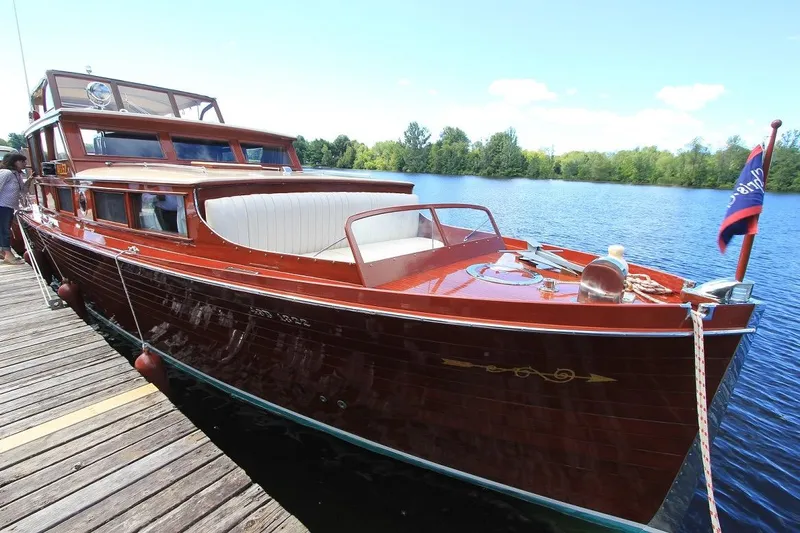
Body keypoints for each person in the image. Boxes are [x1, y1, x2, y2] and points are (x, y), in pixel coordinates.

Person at [0, 153, 29, 264]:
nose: (25, 164)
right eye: (23, 161)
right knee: (4, 230)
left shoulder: (17, 175)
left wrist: (30, 179)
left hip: (9, 206)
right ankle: (8, 254)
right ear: (15, 162)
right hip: (2, 205)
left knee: (4, 228)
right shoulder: (6, 173)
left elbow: (23, 191)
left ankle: (3, 252)